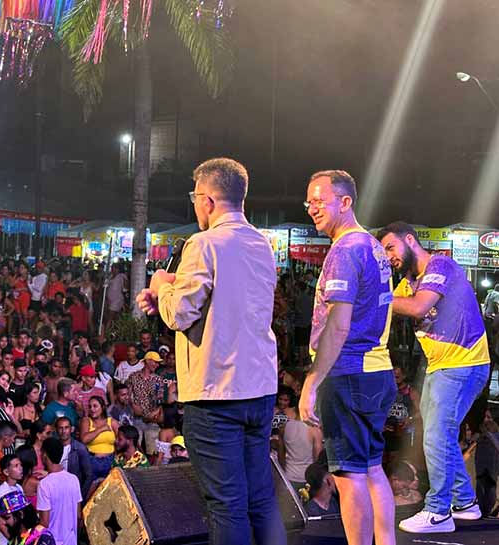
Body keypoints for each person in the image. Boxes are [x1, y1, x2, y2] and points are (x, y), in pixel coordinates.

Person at [137, 157, 286, 545]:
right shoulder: (262, 244)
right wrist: (167, 296)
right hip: (259, 388)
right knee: (261, 499)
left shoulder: (203, 244)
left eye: (194, 197)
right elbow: (226, 305)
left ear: (206, 199)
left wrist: (161, 285)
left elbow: (180, 313)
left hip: (216, 392)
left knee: (226, 504)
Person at [297, 170, 396, 545]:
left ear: (345, 202)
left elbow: (338, 324)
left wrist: (312, 381)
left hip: (349, 373)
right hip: (376, 372)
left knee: (348, 475)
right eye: (309, 202)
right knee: (370, 468)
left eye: (320, 201)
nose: (312, 209)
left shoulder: (346, 249)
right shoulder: (371, 245)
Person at [377, 222, 491, 533]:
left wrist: (380, 299)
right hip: (442, 367)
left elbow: (417, 308)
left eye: (390, 248)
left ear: (410, 240)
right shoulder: (408, 281)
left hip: (463, 364)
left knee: (437, 435)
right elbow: (388, 305)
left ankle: (438, 511)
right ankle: (465, 502)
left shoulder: (440, 264)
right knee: (440, 435)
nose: (388, 257)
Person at [36, 437, 81, 545]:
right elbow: (78, 515)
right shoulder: (74, 479)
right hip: (71, 540)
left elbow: (44, 523)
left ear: (45, 455)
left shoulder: (44, 484)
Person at [0, 453, 25, 545]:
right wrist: (15, 542)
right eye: (16, 466)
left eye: (20, 465)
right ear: (6, 472)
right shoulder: (1, 492)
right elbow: (1, 524)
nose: (20, 468)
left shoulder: (19, 488)